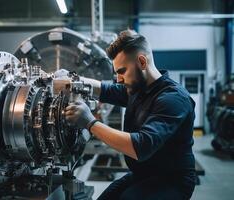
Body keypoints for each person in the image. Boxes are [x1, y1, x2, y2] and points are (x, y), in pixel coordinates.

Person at [56, 30, 196, 200]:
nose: (118, 79)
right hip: (143, 174)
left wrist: (89, 122)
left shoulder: (173, 99)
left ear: (142, 62)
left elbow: (140, 147)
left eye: (122, 71)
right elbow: (104, 89)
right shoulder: (138, 88)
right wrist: (71, 82)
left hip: (172, 180)